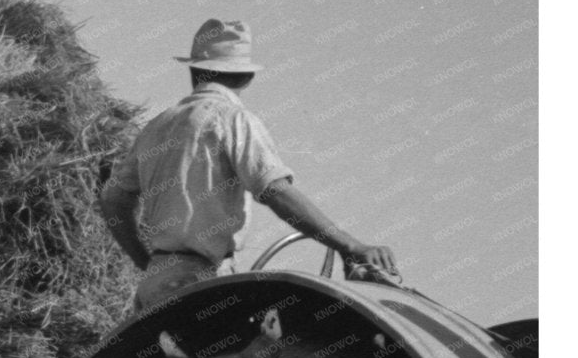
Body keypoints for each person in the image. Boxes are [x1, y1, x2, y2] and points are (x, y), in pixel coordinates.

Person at [100, 19, 397, 319]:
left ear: (194, 71)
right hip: (199, 284)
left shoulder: (157, 125)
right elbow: (275, 191)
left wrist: (144, 261)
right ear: (246, 77)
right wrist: (349, 245)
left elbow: (113, 200)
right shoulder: (233, 119)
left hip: (156, 281)